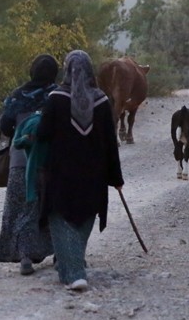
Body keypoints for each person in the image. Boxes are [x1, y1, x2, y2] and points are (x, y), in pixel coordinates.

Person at [35, 49, 124, 292]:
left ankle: (73, 272)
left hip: (61, 175)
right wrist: (116, 178)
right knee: (84, 217)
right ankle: (73, 265)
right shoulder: (102, 101)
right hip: (93, 176)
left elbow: (43, 134)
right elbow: (110, 142)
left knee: (60, 218)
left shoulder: (56, 98)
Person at [0, 54, 59, 275]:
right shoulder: (58, 95)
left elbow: (5, 126)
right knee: (53, 207)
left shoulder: (17, 95)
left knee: (23, 207)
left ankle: (24, 257)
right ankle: (59, 253)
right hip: (53, 160)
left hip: (21, 159)